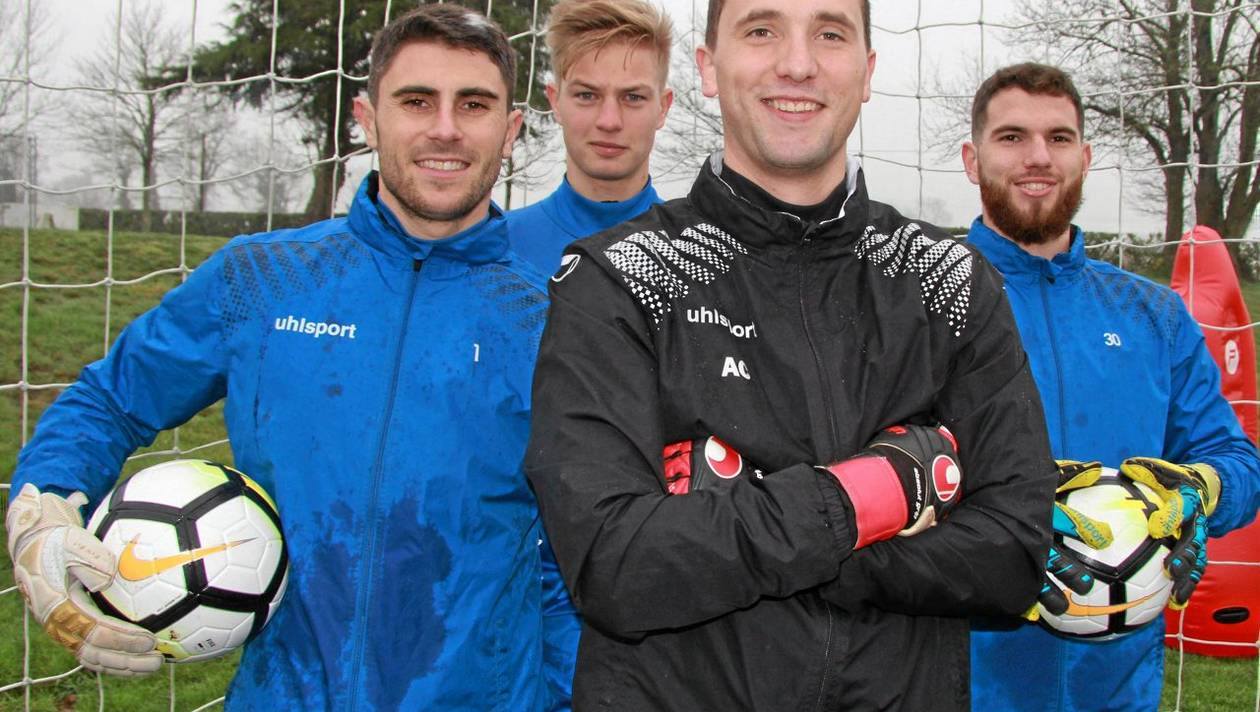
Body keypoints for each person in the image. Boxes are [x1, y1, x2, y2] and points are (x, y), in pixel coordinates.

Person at [5, 6, 579, 710]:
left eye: (475, 104)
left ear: (511, 130)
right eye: (416, 101)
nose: (446, 128)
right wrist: (45, 508)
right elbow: (112, 398)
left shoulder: (554, 323)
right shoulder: (260, 280)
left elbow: (572, 559)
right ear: (368, 119)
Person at [524, 0, 1058, 709]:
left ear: (866, 73)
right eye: (762, 29)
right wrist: (878, 493)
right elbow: (618, 565)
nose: (798, 62)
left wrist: (752, 525)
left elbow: (1015, 556)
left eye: (830, 33)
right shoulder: (620, 278)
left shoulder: (951, 281)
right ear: (710, 69)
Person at [962, 62, 1260, 711]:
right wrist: (993, 521)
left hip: (1122, 689)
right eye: (1012, 136)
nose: (1038, 157)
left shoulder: (1153, 315)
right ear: (971, 157)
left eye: (1059, 138)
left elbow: (1238, 465)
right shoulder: (916, 299)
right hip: (961, 682)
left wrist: (1200, 490)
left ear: (1086, 156)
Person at [507, 0, 674, 272]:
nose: (609, 121)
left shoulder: (706, 256)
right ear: (555, 101)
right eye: (587, 95)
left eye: (633, 97)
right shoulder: (499, 247)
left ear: (662, 108)